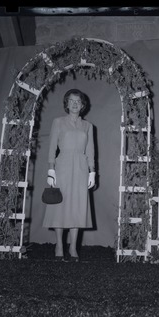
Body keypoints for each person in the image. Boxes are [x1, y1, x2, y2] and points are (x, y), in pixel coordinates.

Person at [42, 89, 96, 262]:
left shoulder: (88, 126)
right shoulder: (58, 122)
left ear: (82, 105)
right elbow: (51, 148)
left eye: (78, 101)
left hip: (81, 168)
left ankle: (73, 247)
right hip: (62, 166)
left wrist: (92, 172)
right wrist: (51, 169)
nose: (74, 104)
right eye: (71, 101)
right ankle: (59, 245)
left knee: (77, 207)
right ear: (66, 103)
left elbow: (90, 151)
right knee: (60, 206)